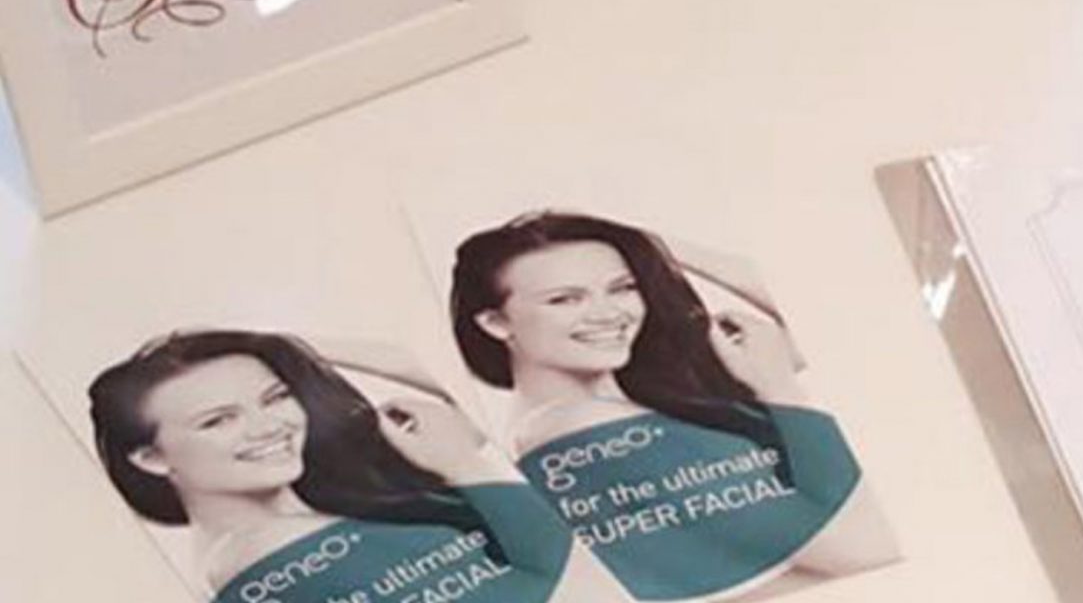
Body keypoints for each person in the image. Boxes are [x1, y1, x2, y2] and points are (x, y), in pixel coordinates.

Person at [451, 211, 898, 600]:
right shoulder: (592, 428)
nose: (610, 313)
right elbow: (863, 549)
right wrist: (778, 386)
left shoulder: (587, 419)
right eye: (565, 299)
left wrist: (653, 243)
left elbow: (828, 330)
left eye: (623, 287)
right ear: (495, 322)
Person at [88, 329, 618, 603]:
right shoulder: (270, 548)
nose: (268, 427)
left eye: (275, 397)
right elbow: (564, 577)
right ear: (150, 457)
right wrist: (463, 462)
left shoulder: (303, 524)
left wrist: (282, 344)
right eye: (218, 420)